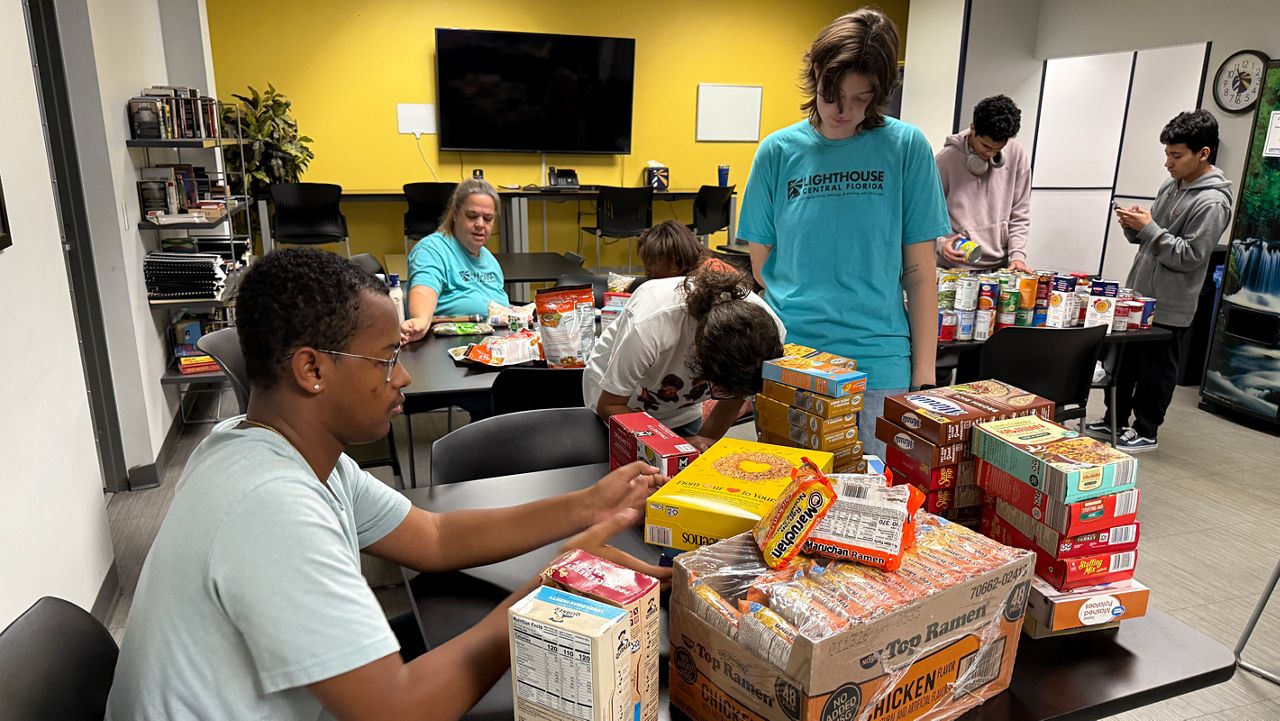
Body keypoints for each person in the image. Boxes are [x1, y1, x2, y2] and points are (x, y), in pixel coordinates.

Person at [106, 248, 668, 720]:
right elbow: (398, 713)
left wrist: (589, 505)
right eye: (385, 359)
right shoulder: (273, 506)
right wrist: (554, 589)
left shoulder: (262, 444)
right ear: (312, 370)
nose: (401, 377)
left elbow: (436, 538)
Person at [737, 8, 950, 457]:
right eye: (833, 94)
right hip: (792, 360)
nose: (843, 111)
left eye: (861, 98)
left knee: (878, 509)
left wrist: (925, 381)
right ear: (815, 73)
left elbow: (920, 273)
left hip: (879, 364)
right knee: (787, 510)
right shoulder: (778, 152)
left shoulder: (905, 147)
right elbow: (762, 265)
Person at [1086, 110, 1233, 452]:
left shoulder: (1212, 201)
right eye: (1167, 154)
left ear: (1203, 154)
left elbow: (1190, 256)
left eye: (1176, 155)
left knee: (1156, 372)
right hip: (1139, 295)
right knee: (1123, 363)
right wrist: (1133, 224)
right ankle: (1114, 421)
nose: (1168, 163)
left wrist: (1149, 228)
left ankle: (1146, 430)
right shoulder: (1171, 184)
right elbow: (1151, 237)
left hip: (1171, 303)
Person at [583, 264, 785, 450]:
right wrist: (673, 446)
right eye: (720, 388)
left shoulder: (768, 334)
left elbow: (732, 400)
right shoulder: (651, 325)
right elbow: (610, 405)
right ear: (697, 352)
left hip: (682, 408)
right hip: (621, 403)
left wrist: (701, 444)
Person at [401, 178, 509, 344]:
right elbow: (424, 290)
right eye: (472, 216)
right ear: (455, 213)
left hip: (492, 349)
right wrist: (421, 320)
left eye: (488, 219)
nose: (480, 224)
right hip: (445, 352)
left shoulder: (490, 261)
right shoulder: (431, 250)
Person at [934, 94, 1032, 272]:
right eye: (986, 146)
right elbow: (924, 215)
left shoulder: (1016, 153)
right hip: (955, 268)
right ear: (973, 128)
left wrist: (1017, 256)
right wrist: (941, 244)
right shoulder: (945, 161)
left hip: (999, 269)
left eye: (998, 149)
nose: (990, 154)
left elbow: (1020, 212)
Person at [637, 219, 735, 280]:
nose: (647, 272)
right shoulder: (685, 275)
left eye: (650, 269)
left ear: (674, 258)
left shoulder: (712, 273)